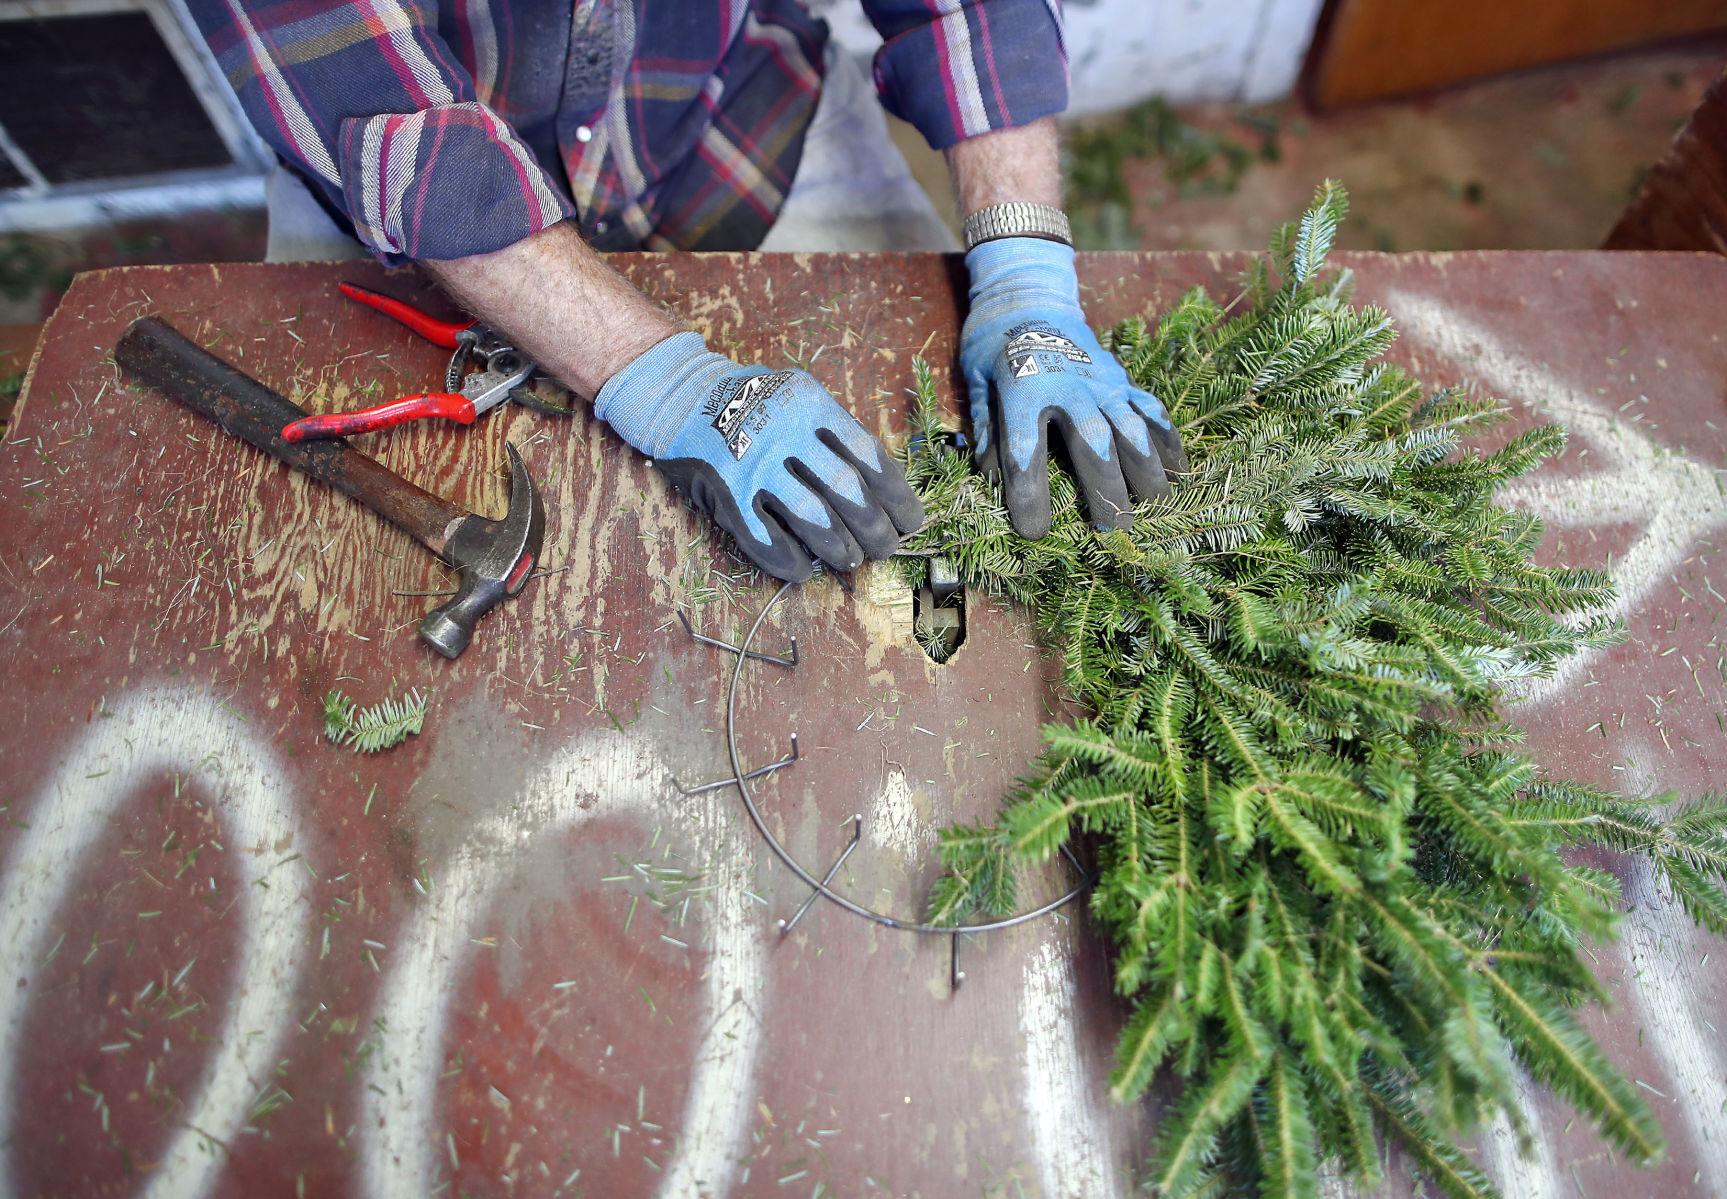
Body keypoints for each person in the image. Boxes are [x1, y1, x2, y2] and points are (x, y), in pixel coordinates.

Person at [190, 1, 1185, 582]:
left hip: (726, 129)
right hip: (394, 168)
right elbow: (394, 130)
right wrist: (664, 381)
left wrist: (1022, 269)